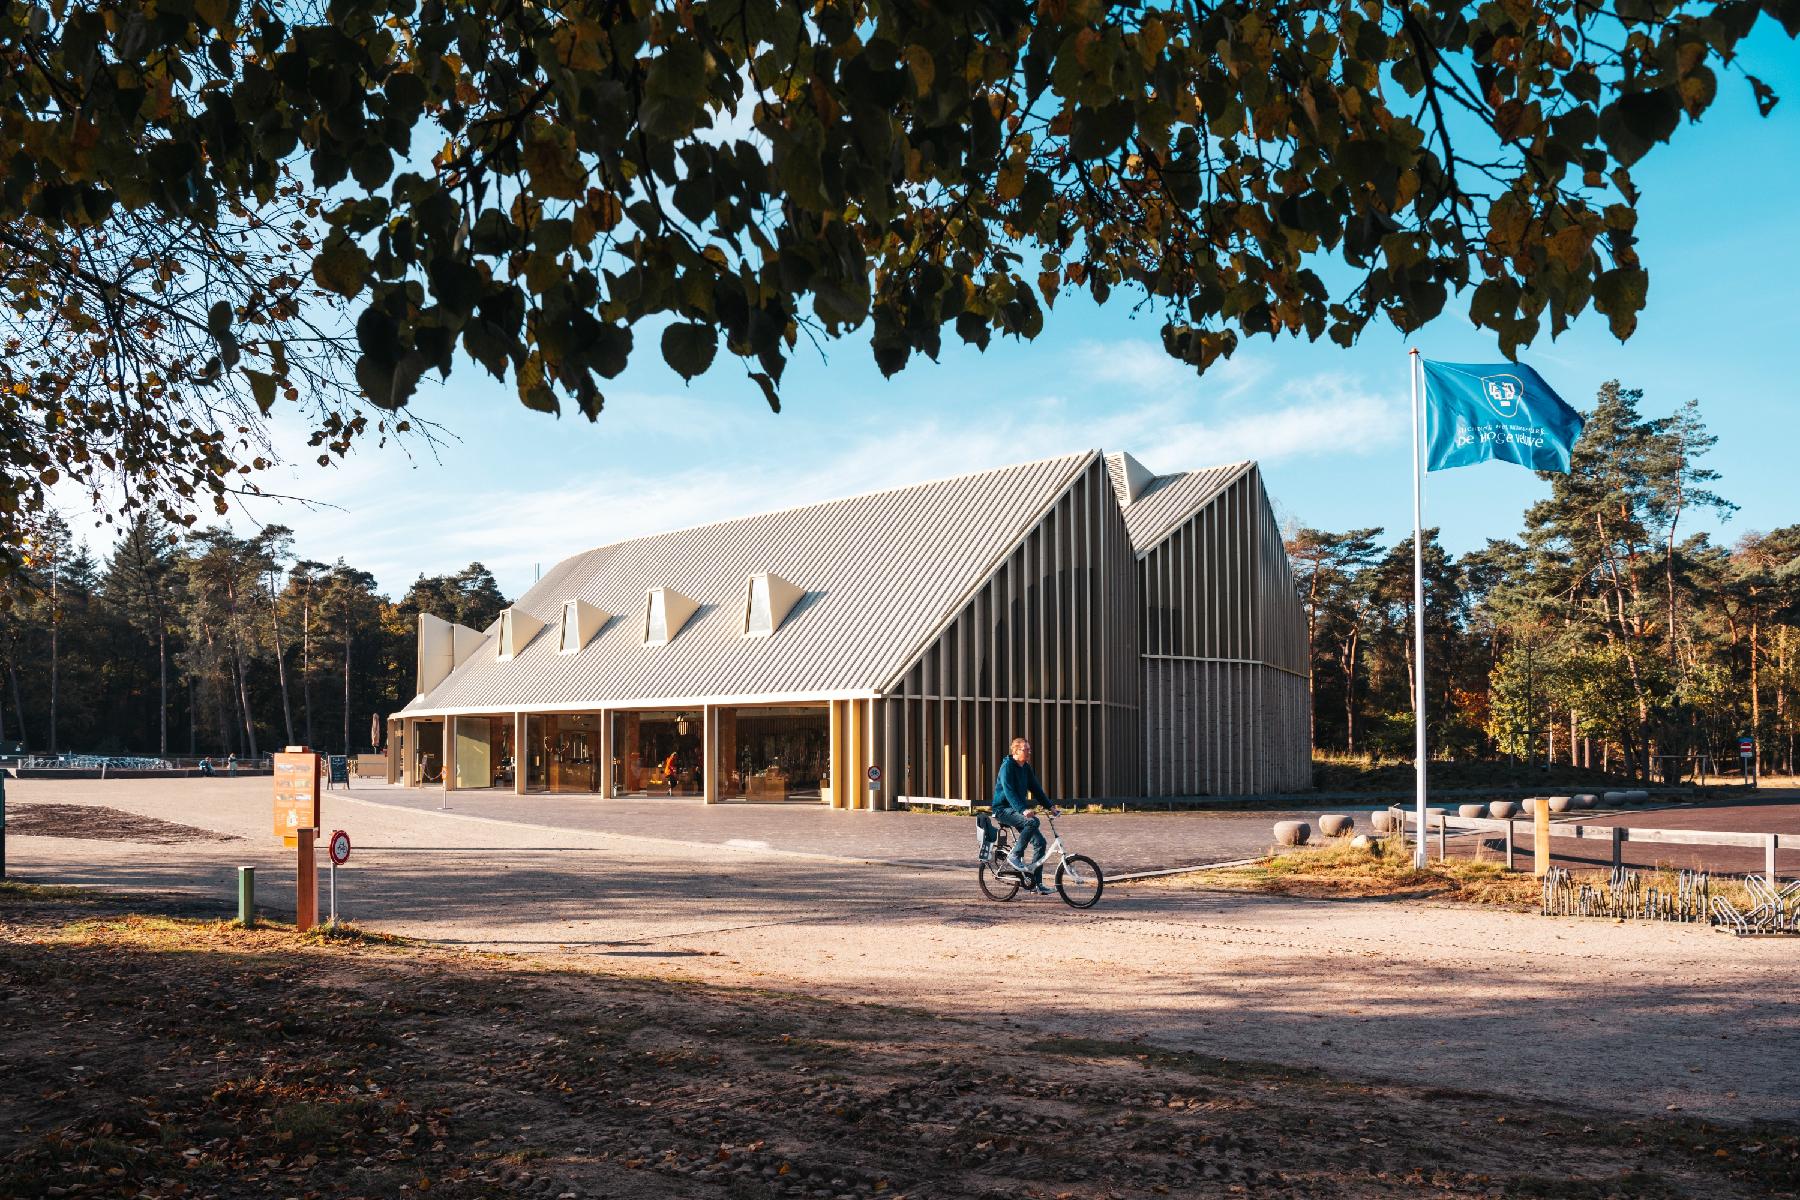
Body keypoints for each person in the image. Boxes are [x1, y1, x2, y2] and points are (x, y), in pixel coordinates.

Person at [990, 736, 1058, 894]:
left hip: (1016, 810)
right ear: (1015, 751)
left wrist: (1050, 806)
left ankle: (1036, 883)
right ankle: (1015, 855)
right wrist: (1023, 810)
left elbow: (1036, 789)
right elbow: (1009, 792)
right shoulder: (1007, 766)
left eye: (1029, 749)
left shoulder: (1026, 767)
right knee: (1032, 822)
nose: (1028, 752)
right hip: (1002, 810)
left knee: (1040, 843)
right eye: (1025, 749)